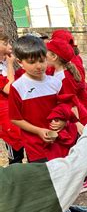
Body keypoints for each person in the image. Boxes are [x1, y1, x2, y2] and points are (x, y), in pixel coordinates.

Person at [9, 35, 71, 163]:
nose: (39, 66)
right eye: (32, 62)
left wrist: (63, 121)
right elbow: (15, 118)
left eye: (42, 60)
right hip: (35, 146)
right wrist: (38, 131)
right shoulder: (18, 87)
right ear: (20, 62)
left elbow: (65, 107)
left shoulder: (56, 83)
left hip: (59, 141)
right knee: (43, 178)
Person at [46, 38, 87, 125]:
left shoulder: (65, 78)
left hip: (74, 119)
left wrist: (76, 124)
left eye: (46, 53)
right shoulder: (54, 71)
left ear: (54, 57)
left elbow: (71, 104)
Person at [0, 32, 24, 164]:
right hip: (6, 116)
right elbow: (9, 89)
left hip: (14, 111)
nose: (10, 46)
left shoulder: (3, 63)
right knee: (15, 154)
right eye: (5, 43)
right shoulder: (6, 64)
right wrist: (10, 65)